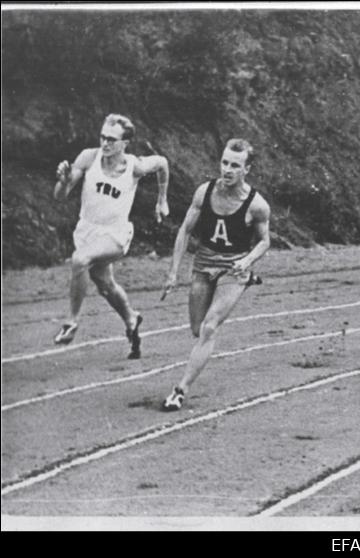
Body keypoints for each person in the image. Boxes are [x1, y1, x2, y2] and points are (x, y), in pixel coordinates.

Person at [161, 138, 270, 411]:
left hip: (233, 269)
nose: (228, 170)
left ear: (247, 169)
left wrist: (247, 261)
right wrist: (173, 272)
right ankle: (244, 281)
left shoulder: (257, 205)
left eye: (235, 165)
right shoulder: (204, 192)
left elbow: (264, 241)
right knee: (197, 329)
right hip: (203, 265)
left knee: (210, 328)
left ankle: (180, 390)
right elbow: (185, 230)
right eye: (224, 163)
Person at [52, 113, 170, 359]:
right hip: (87, 231)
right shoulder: (88, 157)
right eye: (103, 137)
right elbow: (60, 196)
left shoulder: (134, 166)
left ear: (125, 143)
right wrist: (63, 182)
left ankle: (71, 322)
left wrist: (162, 200)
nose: (105, 144)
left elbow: (162, 164)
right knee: (105, 284)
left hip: (116, 234)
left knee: (79, 260)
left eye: (112, 140)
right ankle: (131, 319)